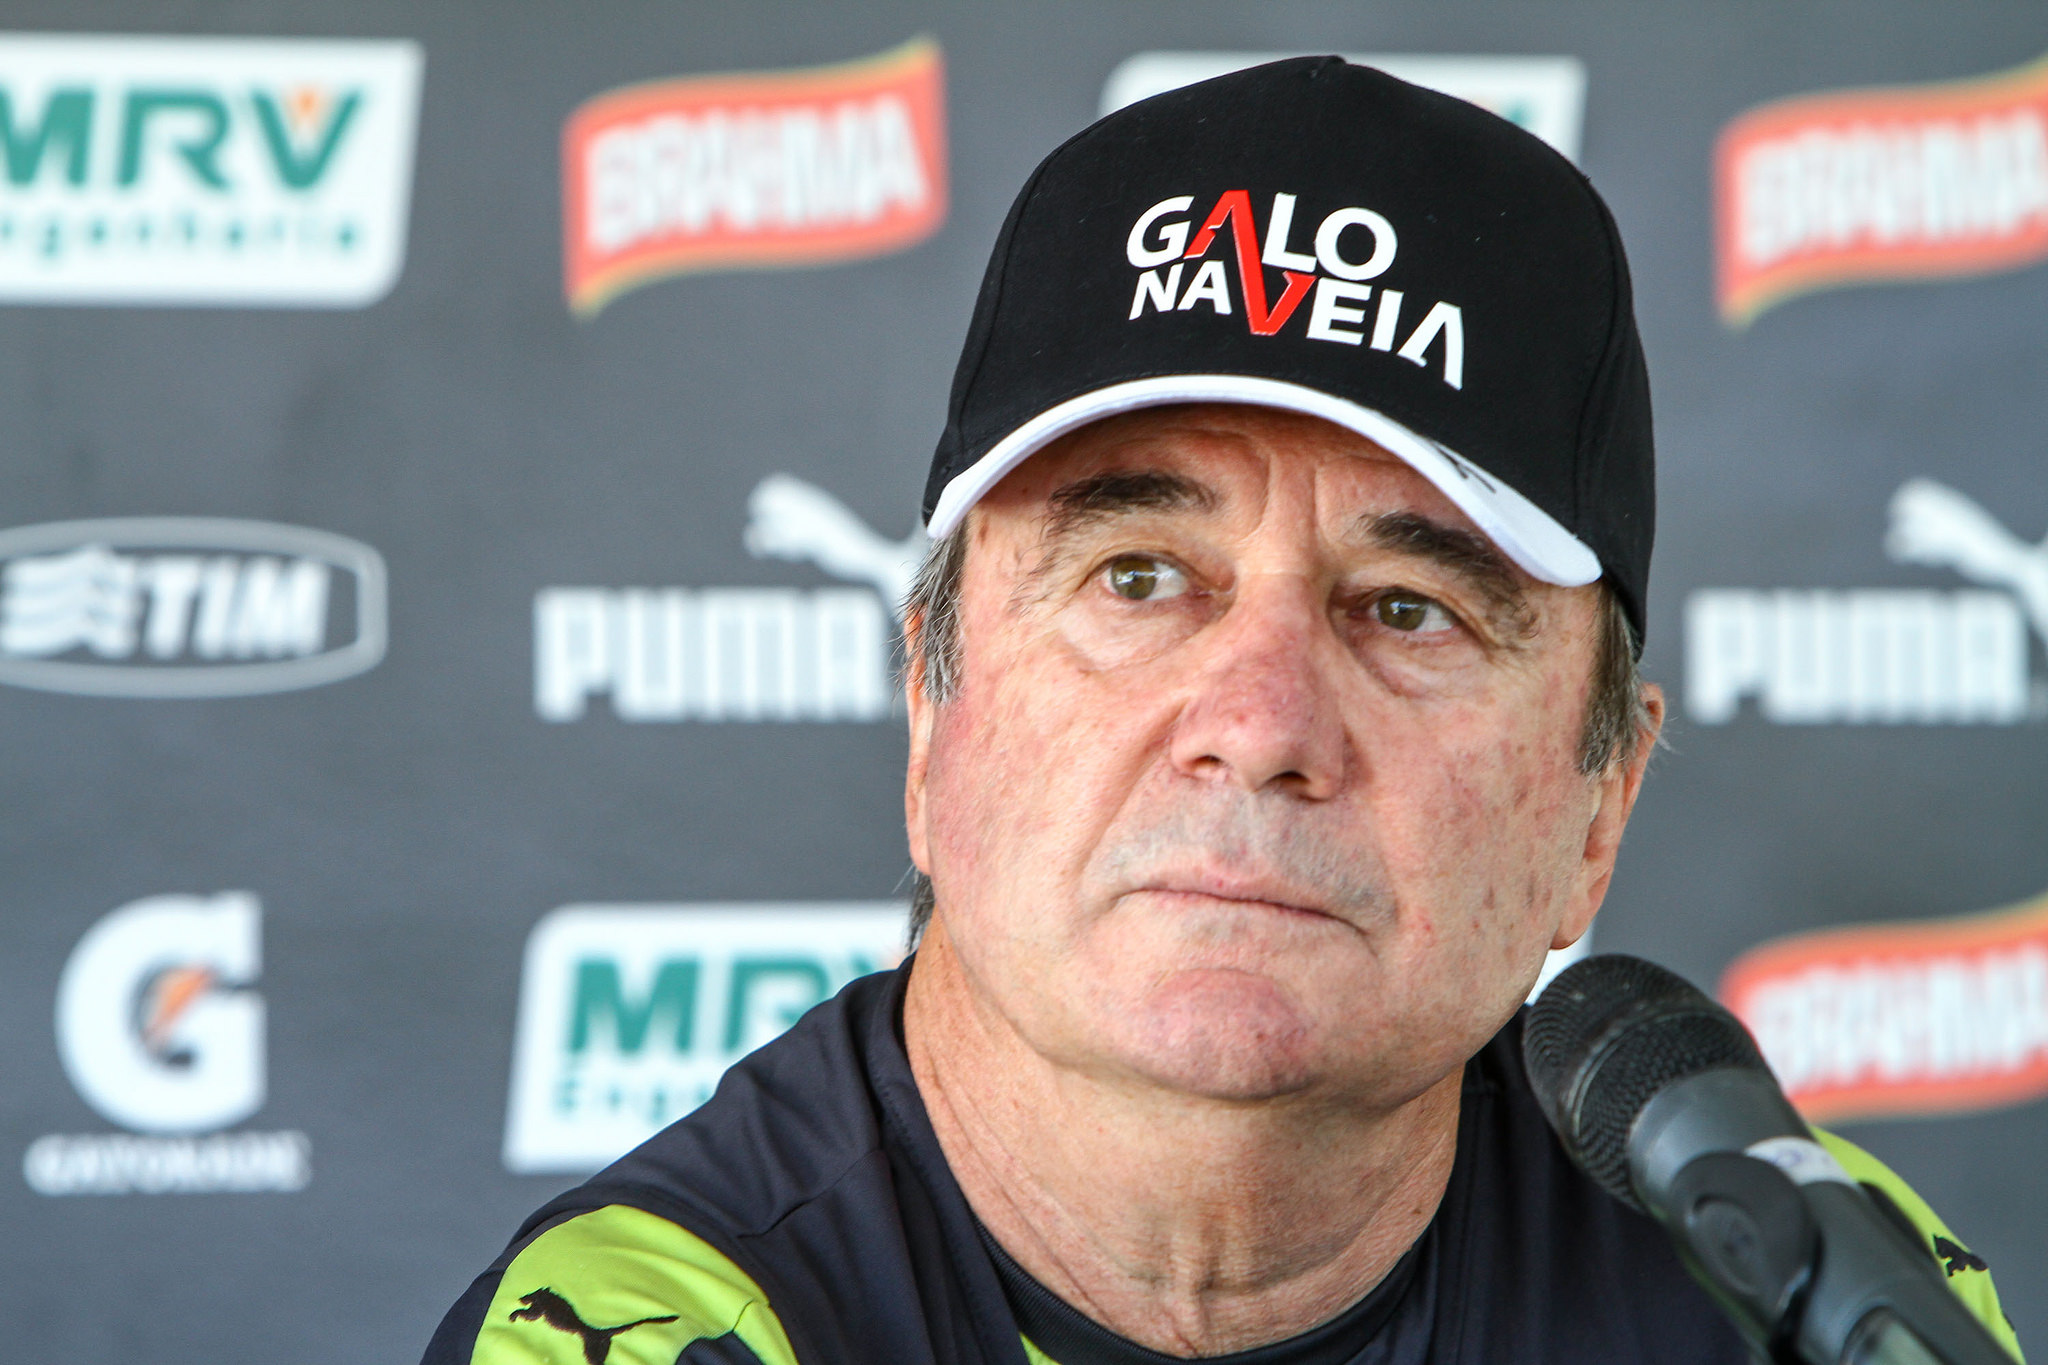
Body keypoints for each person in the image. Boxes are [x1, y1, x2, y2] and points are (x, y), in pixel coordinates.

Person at [427, 58, 2019, 1365]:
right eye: (1137, 577)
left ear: (1597, 808)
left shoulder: (1794, 1287)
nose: (1260, 725)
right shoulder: (658, 1330)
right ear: (932, 703)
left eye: (1410, 609)